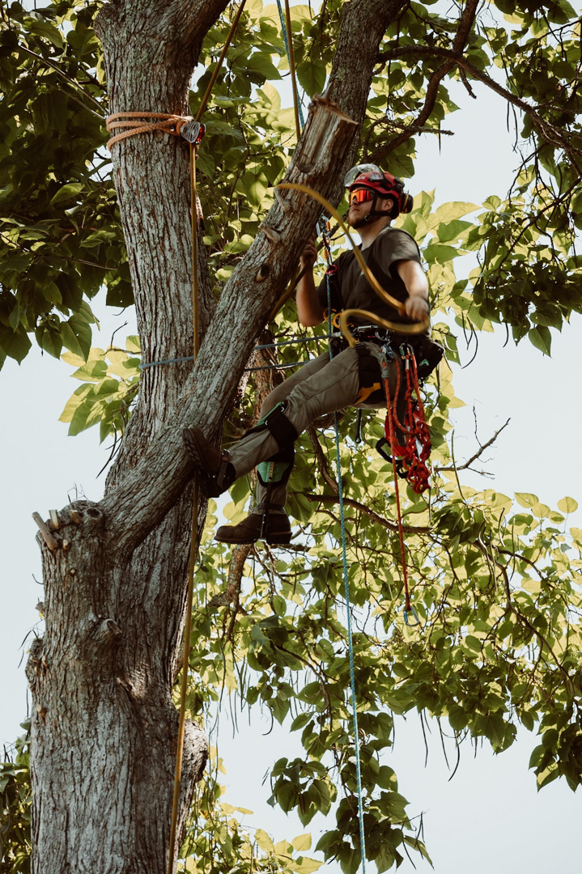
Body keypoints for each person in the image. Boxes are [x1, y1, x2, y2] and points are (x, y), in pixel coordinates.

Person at [183, 165, 431, 545]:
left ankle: (227, 466)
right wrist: (306, 267)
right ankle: (269, 515)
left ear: (384, 203)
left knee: (300, 401)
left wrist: (417, 297)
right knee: (275, 401)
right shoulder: (348, 262)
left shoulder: (391, 240)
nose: (352, 204)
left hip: (382, 355)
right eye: (351, 198)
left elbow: (412, 272)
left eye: (360, 196)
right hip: (348, 351)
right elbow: (309, 317)